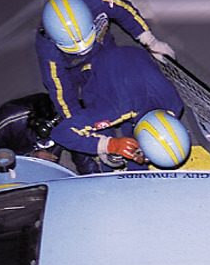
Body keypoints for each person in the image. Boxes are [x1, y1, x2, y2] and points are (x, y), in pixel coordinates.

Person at [36, 0, 174, 125]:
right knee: (98, 101)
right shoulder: (48, 51)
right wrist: (77, 122)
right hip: (78, 68)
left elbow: (125, 10)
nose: (83, 49)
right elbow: (60, 90)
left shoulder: (98, 0)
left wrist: (151, 42)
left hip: (105, 47)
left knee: (127, 84)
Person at [50, 45, 185, 171]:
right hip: (96, 64)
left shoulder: (175, 105)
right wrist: (108, 145)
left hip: (135, 54)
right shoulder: (113, 109)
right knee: (103, 131)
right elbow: (61, 133)